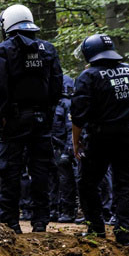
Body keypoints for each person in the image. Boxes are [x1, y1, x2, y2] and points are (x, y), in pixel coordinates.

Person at [0, 4, 63, 233]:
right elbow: (57, 86)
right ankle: (40, 221)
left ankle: (10, 221)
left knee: (9, 169)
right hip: (41, 120)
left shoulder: (4, 50)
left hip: (13, 120)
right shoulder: (48, 49)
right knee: (40, 169)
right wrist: (47, 113)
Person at [70, 34, 129, 245]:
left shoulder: (88, 76)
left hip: (100, 138)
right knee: (126, 185)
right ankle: (124, 231)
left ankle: (96, 229)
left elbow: (78, 115)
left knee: (87, 183)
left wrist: (76, 142)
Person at [50, 77, 77, 223]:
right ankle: (53, 209)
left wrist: (68, 150)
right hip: (52, 147)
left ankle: (67, 211)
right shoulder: (53, 104)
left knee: (65, 181)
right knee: (52, 180)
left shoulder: (67, 104)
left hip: (63, 148)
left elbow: (70, 128)